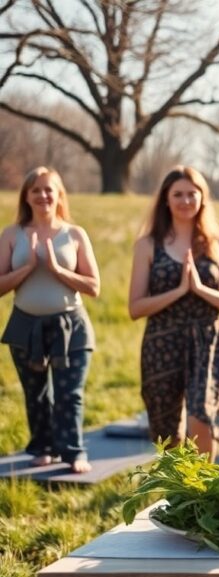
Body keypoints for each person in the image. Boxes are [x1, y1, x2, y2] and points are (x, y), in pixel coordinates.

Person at [129, 166, 219, 460]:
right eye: (177, 194)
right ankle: (178, 494)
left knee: (202, 418)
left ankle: (204, 491)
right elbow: (135, 307)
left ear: (203, 198)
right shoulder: (147, 245)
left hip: (206, 339)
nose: (185, 201)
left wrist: (199, 289)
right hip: (161, 341)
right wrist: (179, 291)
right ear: (165, 200)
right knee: (165, 430)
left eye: (192, 194)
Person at [0, 167, 99, 473]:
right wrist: (27, 267)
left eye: (48, 190)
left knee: (70, 394)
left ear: (59, 195)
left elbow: (94, 286)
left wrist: (58, 270)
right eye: (36, 190)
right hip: (26, 326)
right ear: (26, 197)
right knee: (36, 392)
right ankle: (42, 446)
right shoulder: (12, 234)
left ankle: (73, 451)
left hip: (70, 327)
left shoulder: (74, 234)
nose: (43, 196)